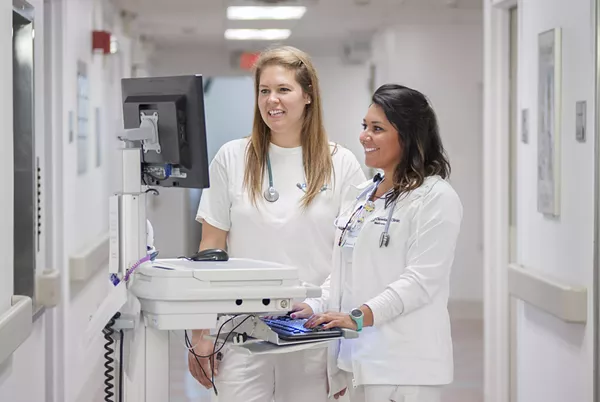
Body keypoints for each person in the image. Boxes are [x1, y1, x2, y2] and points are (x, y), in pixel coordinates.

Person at [188, 46, 366, 402]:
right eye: (264, 90)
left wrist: (320, 305)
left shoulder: (340, 164)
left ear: (308, 95)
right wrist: (200, 333)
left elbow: (354, 256)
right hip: (240, 330)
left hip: (310, 332)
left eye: (283, 89)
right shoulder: (232, 158)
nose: (272, 100)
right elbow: (211, 248)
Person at [293, 84, 463, 402]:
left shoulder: (436, 198)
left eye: (377, 128)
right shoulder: (363, 195)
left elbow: (421, 281)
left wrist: (359, 316)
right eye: (364, 126)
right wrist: (315, 305)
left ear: (408, 135)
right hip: (357, 361)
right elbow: (345, 272)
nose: (364, 136)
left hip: (404, 367)